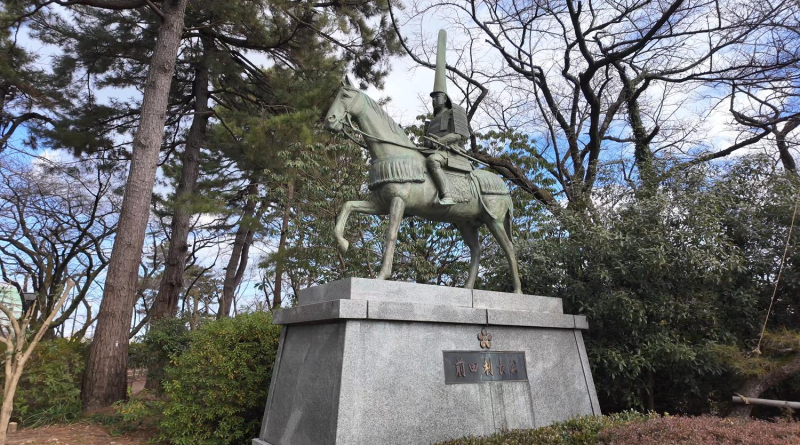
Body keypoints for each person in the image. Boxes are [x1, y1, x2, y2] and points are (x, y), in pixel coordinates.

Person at [422, 30, 472, 206]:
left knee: (433, 160)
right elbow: (427, 143)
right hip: (436, 150)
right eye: (432, 97)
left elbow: (460, 136)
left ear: (445, 97)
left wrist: (441, 141)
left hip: (453, 153)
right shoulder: (431, 122)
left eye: (437, 96)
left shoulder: (455, 112)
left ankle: (447, 194)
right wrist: (430, 143)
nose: (434, 100)